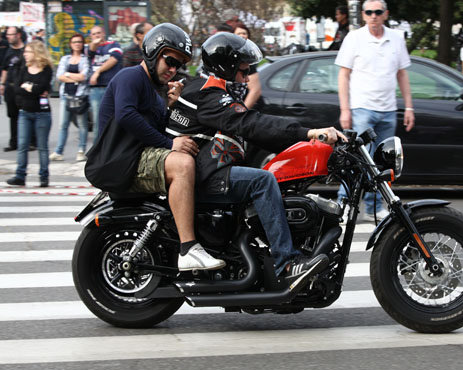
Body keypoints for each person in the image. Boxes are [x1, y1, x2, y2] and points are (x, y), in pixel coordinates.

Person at [167, 33, 342, 289]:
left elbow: (252, 131)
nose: (248, 78)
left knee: (274, 177)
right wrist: (309, 132)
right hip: (202, 176)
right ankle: (288, 263)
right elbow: (251, 123)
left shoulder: (203, 88)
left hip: (207, 169)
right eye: (243, 71)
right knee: (263, 181)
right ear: (226, 67)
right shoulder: (210, 96)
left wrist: (303, 142)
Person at [96, 23, 224, 271]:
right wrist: (170, 144)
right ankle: (188, 248)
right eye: (170, 61)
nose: (173, 70)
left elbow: (156, 128)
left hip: (137, 156)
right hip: (121, 161)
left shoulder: (155, 91)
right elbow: (125, 115)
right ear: (153, 52)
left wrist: (172, 107)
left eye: (180, 65)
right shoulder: (130, 76)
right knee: (182, 164)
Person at [335, 0, 415, 221]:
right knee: (358, 159)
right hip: (362, 108)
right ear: (363, 15)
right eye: (369, 12)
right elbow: (343, 74)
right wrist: (345, 109)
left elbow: (402, 74)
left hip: (388, 109)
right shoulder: (354, 38)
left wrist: (409, 107)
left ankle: (374, 207)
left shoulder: (396, 38)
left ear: (385, 14)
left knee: (383, 162)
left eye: (378, 12)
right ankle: (344, 203)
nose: (373, 16)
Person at [5, 41, 53, 187]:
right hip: (25, 112)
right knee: (22, 145)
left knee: (42, 146)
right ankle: (20, 176)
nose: (24, 54)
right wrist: (33, 89)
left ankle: (44, 176)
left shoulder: (46, 69)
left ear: (36, 52)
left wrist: (28, 87)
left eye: (27, 52)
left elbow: (42, 88)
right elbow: (17, 89)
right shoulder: (24, 68)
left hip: (42, 113)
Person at [50, 34, 90, 162]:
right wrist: (75, 77)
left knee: (82, 125)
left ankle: (81, 151)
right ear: (70, 44)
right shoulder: (65, 59)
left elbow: (84, 76)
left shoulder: (85, 59)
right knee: (63, 125)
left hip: (80, 97)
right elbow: (59, 76)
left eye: (79, 42)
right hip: (66, 96)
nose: (77, 44)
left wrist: (67, 75)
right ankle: (59, 151)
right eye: (74, 42)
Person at [86, 25, 123, 142]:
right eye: (94, 34)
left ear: (103, 33)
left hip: (111, 87)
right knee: (98, 121)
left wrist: (98, 71)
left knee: (115, 118)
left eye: (98, 33)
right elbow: (89, 54)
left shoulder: (113, 45)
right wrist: (94, 44)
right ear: (91, 36)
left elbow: (115, 58)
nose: (97, 35)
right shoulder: (90, 48)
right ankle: (98, 148)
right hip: (95, 89)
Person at [1, 26, 26, 152]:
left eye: (11, 34)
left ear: (18, 35)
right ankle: (14, 142)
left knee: (26, 114)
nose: (8, 37)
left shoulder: (26, 50)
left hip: (23, 88)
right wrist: (2, 84)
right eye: (7, 35)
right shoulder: (8, 51)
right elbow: (5, 69)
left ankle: (30, 141)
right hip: (10, 88)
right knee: (13, 116)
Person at [233, 23, 262, 109]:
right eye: (239, 33)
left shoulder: (247, 58)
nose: (242, 36)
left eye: (244, 33)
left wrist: (242, 111)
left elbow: (255, 90)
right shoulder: (231, 54)